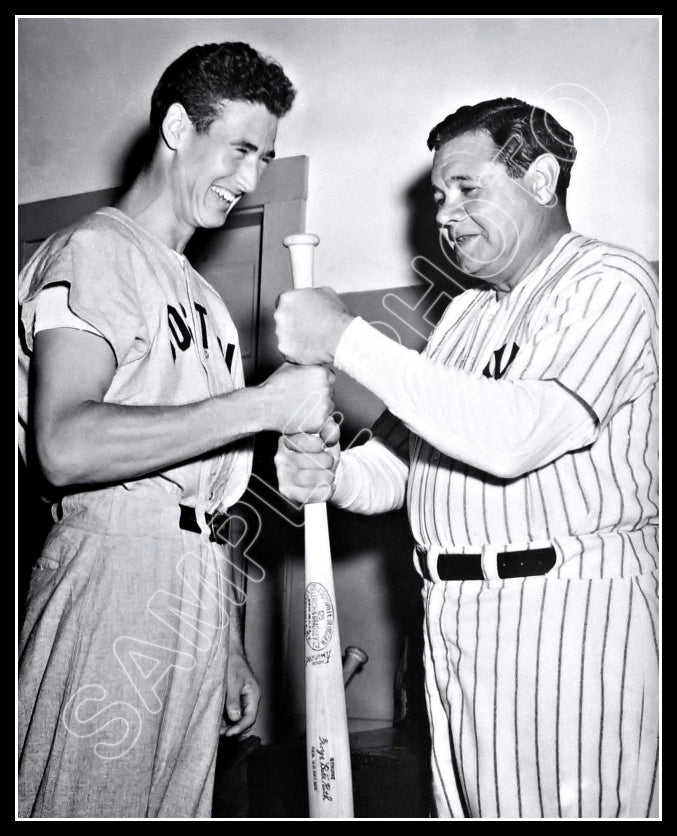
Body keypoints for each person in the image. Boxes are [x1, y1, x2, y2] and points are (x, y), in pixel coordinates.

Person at [273, 97, 659, 819]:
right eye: (438, 196)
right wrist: (330, 471)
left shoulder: (608, 282)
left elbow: (515, 437)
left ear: (540, 180)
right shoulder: (465, 314)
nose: (445, 215)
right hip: (449, 618)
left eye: (467, 188)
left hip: (565, 618)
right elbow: (399, 466)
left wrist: (347, 339)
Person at [18, 41, 335, 819]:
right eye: (237, 149)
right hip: (112, 570)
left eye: (264, 158)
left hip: (191, 584)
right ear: (174, 127)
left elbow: (211, 491)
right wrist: (262, 406)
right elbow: (64, 445)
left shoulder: (201, 296)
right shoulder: (94, 251)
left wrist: (226, 642)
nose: (249, 178)